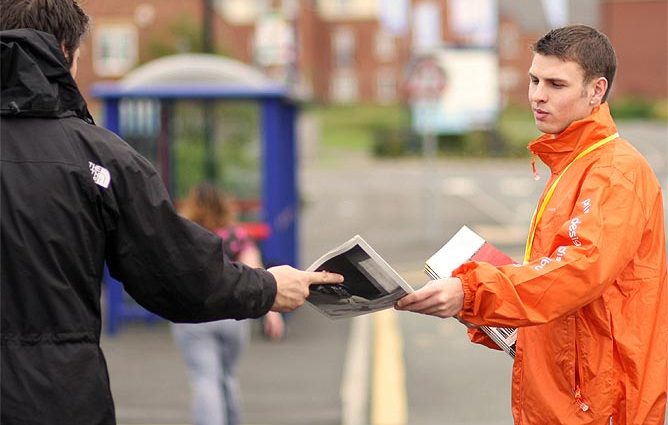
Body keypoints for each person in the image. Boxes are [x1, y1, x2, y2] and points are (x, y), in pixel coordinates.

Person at [0, 1, 342, 424]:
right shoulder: (99, 159)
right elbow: (177, 273)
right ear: (64, 51)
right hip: (56, 399)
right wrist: (268, 287)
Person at [396, 24, 667, 425]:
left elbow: (577, 271)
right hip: (567, 398)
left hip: (601, 405)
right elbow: (559, 285)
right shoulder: (574, 162)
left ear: (596, 91)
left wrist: (473, 292)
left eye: (556, 84)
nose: (538, 95)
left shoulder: (614, 173)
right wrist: (480, 307)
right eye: (534, 79)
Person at [171, 183, 285, 425]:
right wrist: (271, 313)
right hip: (232, 316)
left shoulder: (185, 235)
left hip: (193, 317)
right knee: (228, 377)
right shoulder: (236, 235)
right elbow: (257, 272)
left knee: (205, 380)